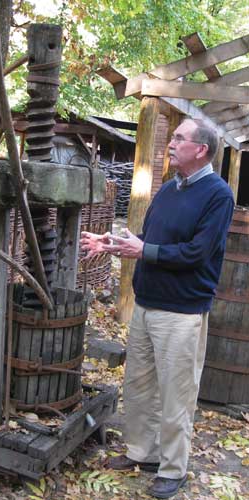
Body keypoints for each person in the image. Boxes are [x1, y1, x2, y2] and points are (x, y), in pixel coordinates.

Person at [80, 118, 234, 499]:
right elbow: (149, 241)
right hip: (147, 305)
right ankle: (142, 453)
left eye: (179, 138)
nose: (171, 144)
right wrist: (113, 244)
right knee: (139, 386)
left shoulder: (218, 195)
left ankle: (172, 469)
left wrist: (144, 250)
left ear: (200, 150)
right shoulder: (168, 190)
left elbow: (197, 253)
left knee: (176, 394)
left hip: (181, 312)